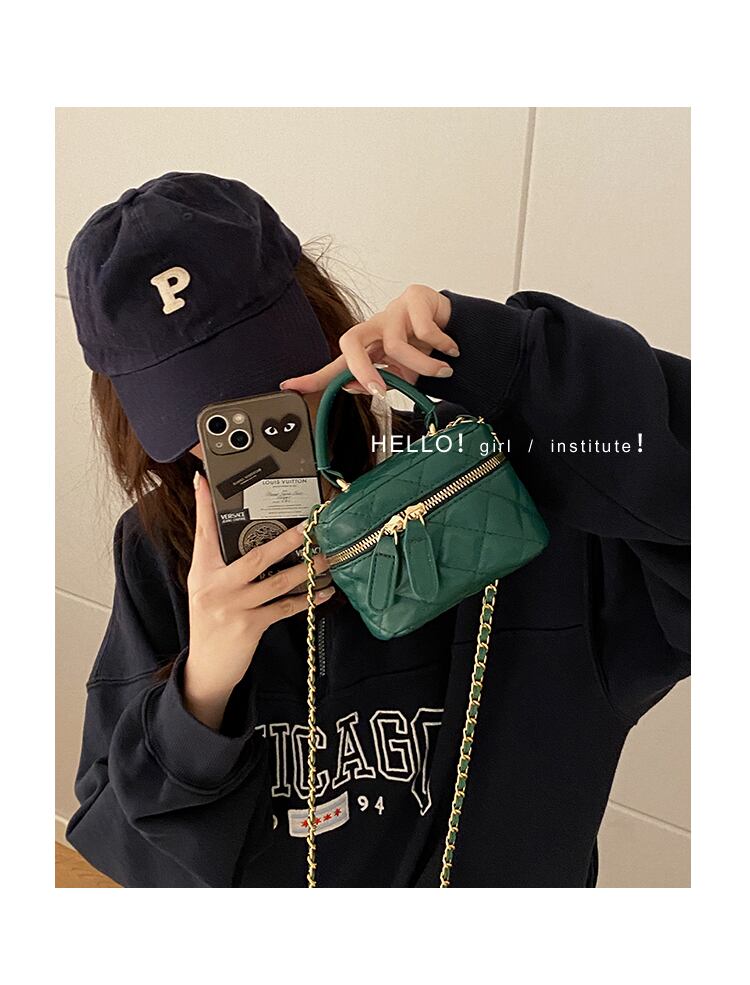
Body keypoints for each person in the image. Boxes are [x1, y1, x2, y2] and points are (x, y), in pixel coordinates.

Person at [65, 171, 690, 888]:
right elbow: (129, 853)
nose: (252, 434)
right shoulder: (164, 554)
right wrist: (202, 690)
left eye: (270, 382)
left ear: (323, 316)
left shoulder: (511, 491)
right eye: (201, 419)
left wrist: (510, 361)